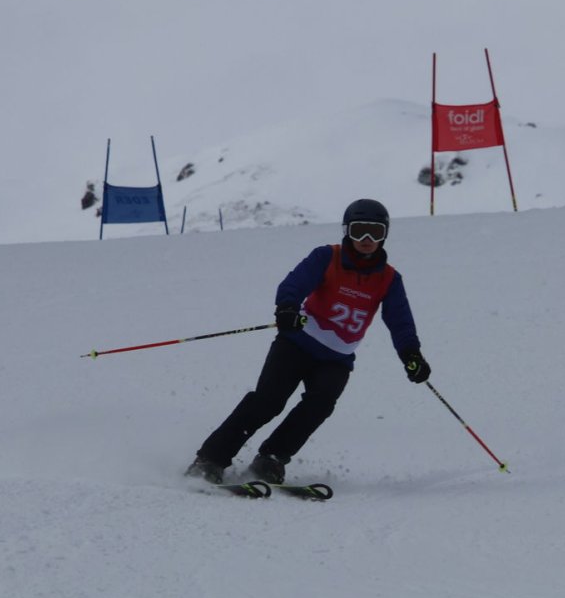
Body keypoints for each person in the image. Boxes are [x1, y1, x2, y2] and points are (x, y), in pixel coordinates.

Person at [185, 198, 431, 485]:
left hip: (337, 358)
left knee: (320, 405)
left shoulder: (389, 279)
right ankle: (211, 460)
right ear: (347, 231)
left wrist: (411, 354)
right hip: (296, 344)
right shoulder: (326, 257)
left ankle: (272, 458)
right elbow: (294, 284)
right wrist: (287, 308)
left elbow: (400, 321)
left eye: (375, 232)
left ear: (384, 235)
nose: (366, 239)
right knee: (268, 402)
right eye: (359, 230)